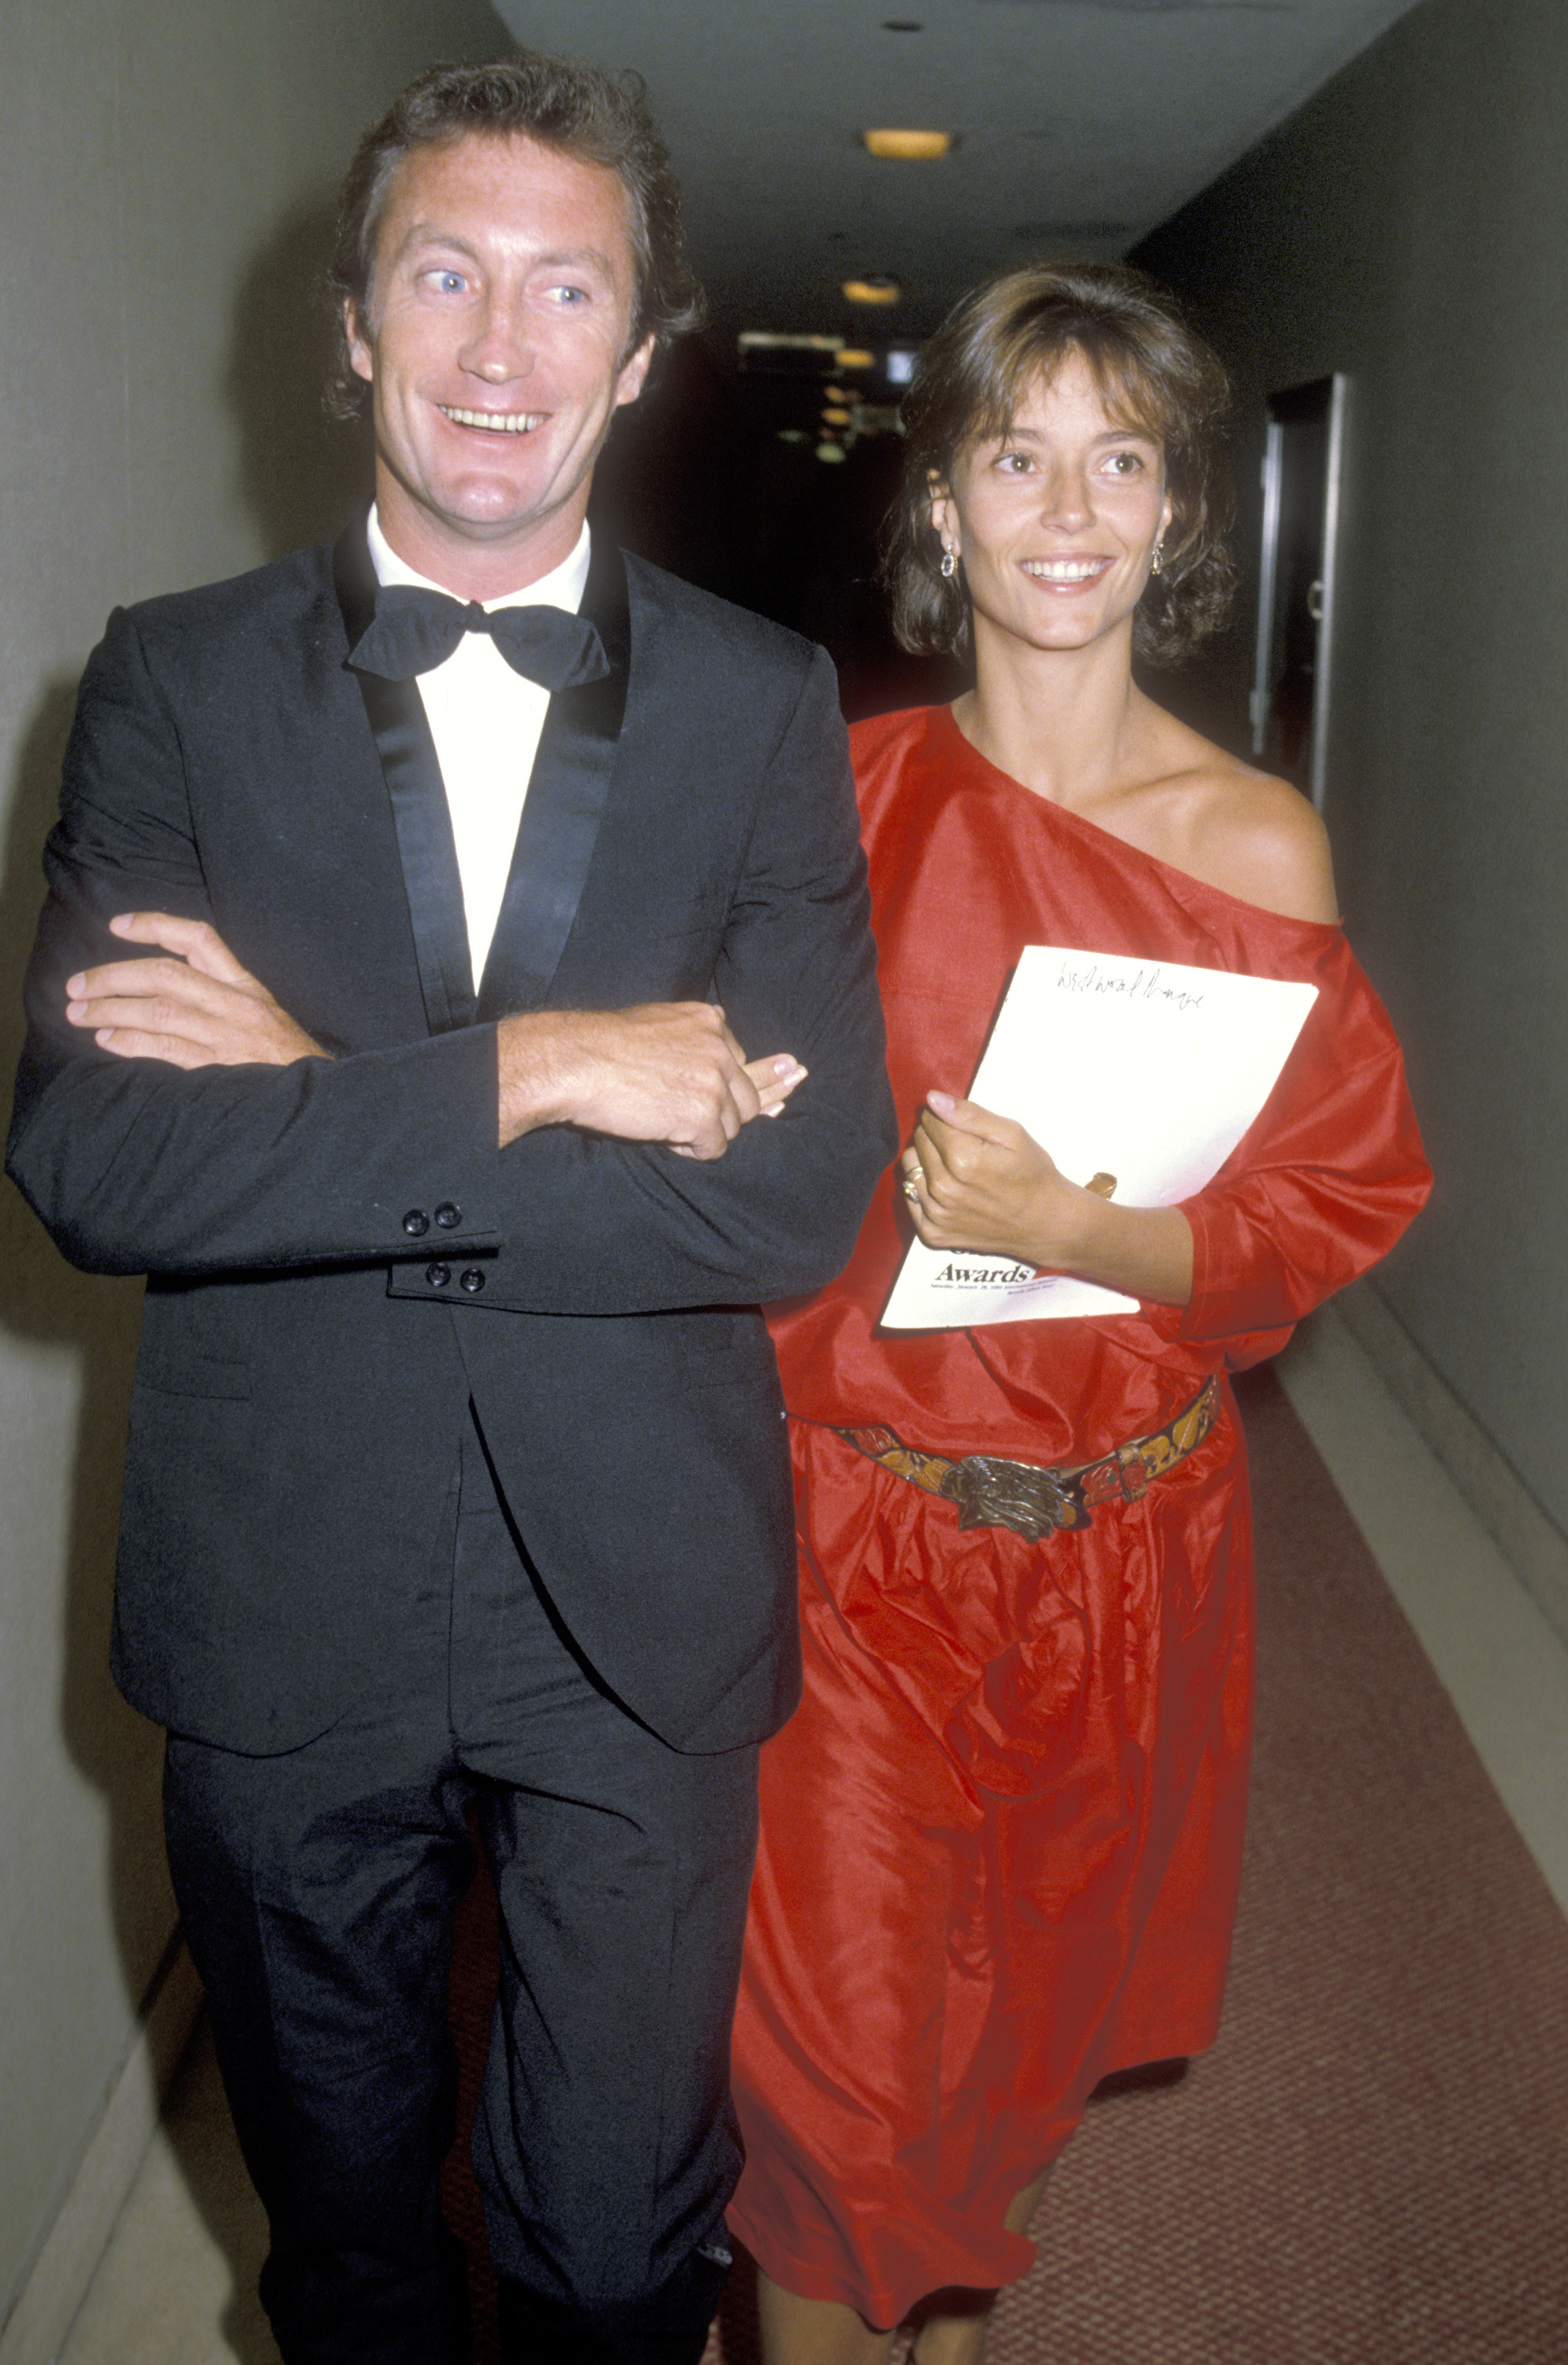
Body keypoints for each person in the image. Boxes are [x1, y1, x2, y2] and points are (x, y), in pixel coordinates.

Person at [6, 51, 893, 2365]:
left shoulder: (760, 701)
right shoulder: (171, 686)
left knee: (613, 2250)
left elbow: (797, 1196)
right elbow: (99, 1159)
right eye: (445, 275)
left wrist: (323, 1095)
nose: (500, 348)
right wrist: (541, 1075)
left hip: (640, 1590)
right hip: (283, 1585)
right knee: (353, 2251)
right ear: (349, 320)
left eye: (563, 289)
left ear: (644, 345)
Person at [726, 262, 1432, 2365]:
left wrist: (1074, 1227)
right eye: (1010, 455)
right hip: (852, 1549)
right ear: (936, 506)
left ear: (1173, 518)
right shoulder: (819, 813)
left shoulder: (1254, 844)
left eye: (1114, 460)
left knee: (1021, 2051)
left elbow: (1322, 1208)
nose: (1062, 506)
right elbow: (675, 1121)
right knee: (837, 2099)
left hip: (1133, 1544)